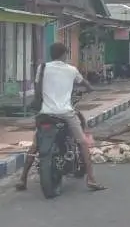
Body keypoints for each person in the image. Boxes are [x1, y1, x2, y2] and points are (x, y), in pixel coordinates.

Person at [16, 43, 106, 192]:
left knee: (35, 144)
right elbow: (85, 84)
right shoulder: (71, 70)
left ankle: (23, 178)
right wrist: (90, 88)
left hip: (45, 113)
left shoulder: (42, 68)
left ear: (51, 54)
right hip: (66, 113)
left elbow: (38, 86)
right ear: (65, 54)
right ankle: (91, 179)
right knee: (83, 143)